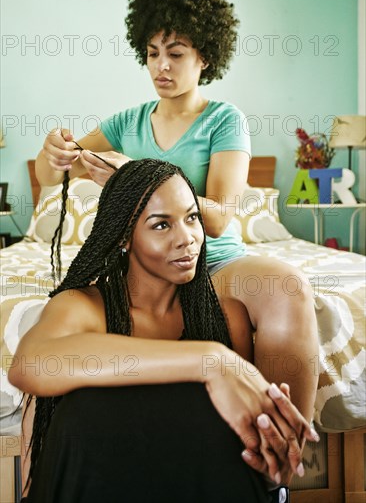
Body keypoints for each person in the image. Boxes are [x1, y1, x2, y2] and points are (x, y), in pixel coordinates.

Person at [35, 0, 319, 482]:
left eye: (177, 52)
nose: (161, 66)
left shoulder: (224, 120)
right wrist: (51, 154)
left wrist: (140, 178)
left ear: (205, 56)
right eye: (152, 53)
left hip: (216, 259)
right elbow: (57, 169)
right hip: (144, 265)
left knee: (288, 289)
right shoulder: (125, 122)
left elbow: (221, 214)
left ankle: (279, 461)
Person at [9, 159, 318, 503]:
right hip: (102, 485)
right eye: (160, 225)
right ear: (125, 236)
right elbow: (31, 364)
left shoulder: (227, 318)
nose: (186, 239)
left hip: (197, 486)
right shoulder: (83, 307)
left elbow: (235, 442)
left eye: (191, 218)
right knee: (82, 412)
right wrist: (209, 360)